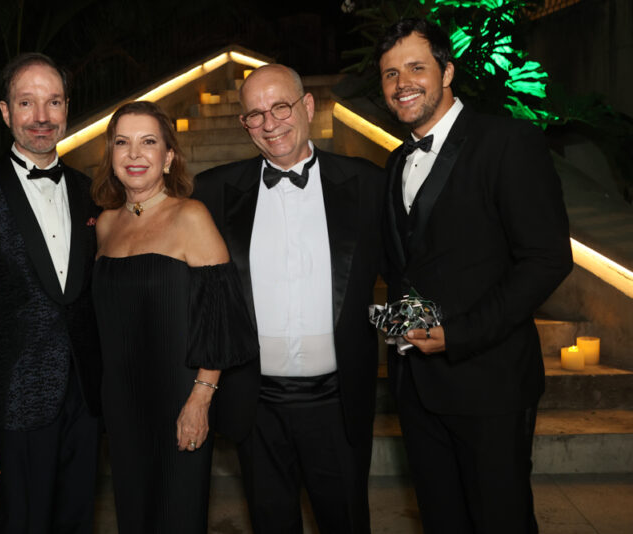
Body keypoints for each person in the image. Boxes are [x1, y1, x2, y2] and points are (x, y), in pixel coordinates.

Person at [375, 18, 573, 533]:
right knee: (441, 520)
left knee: (499, 520)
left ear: (448, 71)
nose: (403, 83)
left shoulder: (508, 141)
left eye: (417, 67)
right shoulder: (396, 162)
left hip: (489, 381)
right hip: (415, 386)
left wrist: (460, 335)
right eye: (390, 73)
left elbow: (548, 258)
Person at [193, 64, 385, 533]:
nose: (270, 122)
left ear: (308, 107)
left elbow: (406, 273)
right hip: (254, 403)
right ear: (244, 124)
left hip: (338, 402)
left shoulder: (367, 184)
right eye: (255, 114)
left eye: (280, 106)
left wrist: (423, 335)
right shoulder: (215, 190)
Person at [0, 53, 101, 533]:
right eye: (27, 103)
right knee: (23, 523)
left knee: (76, 521)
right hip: (14, 402)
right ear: (6, 112)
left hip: (86, 400)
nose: (41, 116)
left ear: (66, 108)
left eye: (53, 102)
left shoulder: (89, 189)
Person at [91, 100, 258, 533]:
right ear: (110, 156)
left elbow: (219, 318)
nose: (134, 154)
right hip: (122, 404)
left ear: (168, 157)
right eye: (122, 143)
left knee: (176, 515)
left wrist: (200, 400)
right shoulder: (107, 224)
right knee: (135, 515)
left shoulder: (191, 216)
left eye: (148, 142)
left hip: (180, 399)